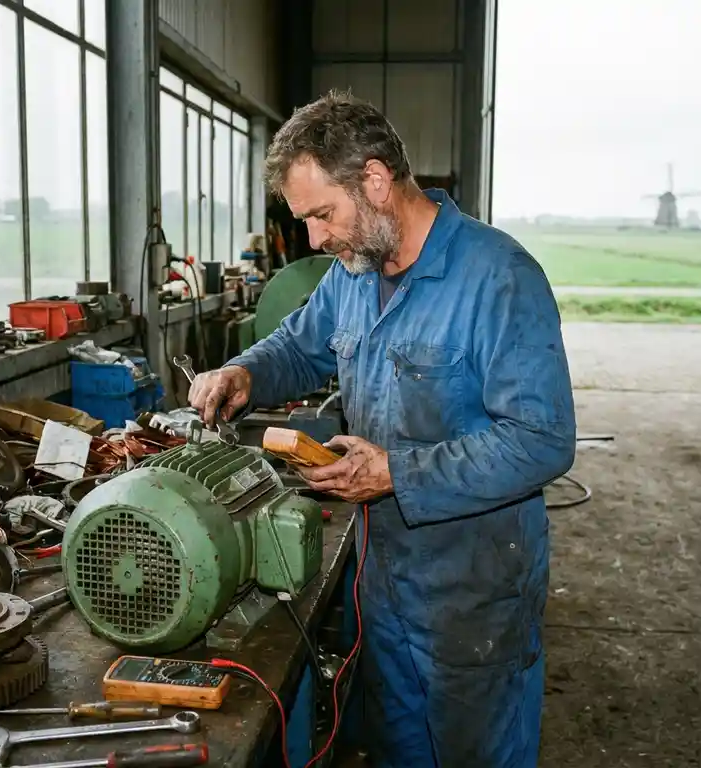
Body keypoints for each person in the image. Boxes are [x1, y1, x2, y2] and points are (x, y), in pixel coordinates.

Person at [187, 90, 576, 767]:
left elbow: (541, 440)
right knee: (398, 749)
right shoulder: (353, 273)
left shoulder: (499, 278)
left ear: (374, 180)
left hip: (473, 595)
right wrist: (242, 375)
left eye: (321, 215)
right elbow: (299, 345)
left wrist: (395, 471)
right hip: (383, 585)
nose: (313, 239)